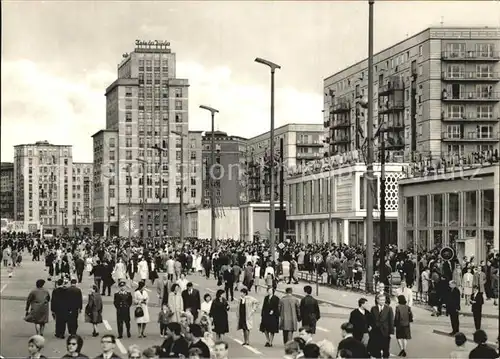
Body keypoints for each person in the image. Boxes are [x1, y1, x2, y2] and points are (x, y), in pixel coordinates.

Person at [368, 293, 394, 359]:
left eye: (384, 300)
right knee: (376, 349)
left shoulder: (389, 309)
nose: (382, 301)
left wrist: (391, 332)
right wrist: (371, 327)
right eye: (381, 300)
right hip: (376, 332)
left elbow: (391, 321)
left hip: (385, 332)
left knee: (386, 349)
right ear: (377, 300)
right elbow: (371, 319)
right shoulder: (373, 308)